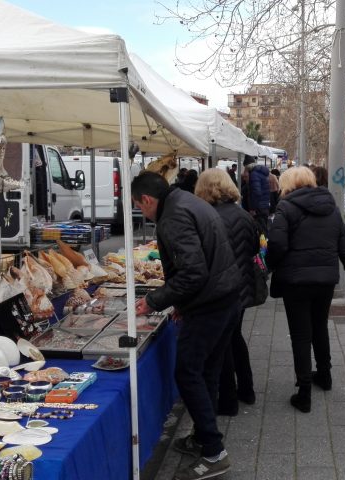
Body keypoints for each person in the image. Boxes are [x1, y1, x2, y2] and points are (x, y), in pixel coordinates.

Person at [131, 171, 241, 479]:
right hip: (224, 296)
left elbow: (193, 272)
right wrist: (180, 303)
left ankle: (214, 452)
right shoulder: (185, 200)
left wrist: (154, 301)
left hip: (212, 304)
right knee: (207, 371)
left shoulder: (173, 216)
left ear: (148, 200)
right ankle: (203, 437)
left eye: (139, 206)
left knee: (188, 371)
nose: (141, 211)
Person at [267, 167, 345, 413]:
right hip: (325, 281)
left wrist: (268, 267)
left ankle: (304, 392)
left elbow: (277, 244)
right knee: (320, 327)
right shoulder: (331, 208)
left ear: (288, 184)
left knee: (301, 335)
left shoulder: (285, 208)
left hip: (295, 282)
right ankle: (325, 375)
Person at [194, 168, 259, 416]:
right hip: (242, 285)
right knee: (235, 337)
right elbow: (253, 248)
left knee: (223, 343)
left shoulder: (209, 217)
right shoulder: (242, 215)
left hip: (221, 288)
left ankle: (229, 400)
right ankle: (247, 389)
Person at [243, 156, 271, 234]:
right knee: (263, 228)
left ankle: (263, 246)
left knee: (261, 230)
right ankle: (264, 245)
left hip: (259, 208)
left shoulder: (254, 174)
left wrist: (253, 208)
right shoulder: (261, 173)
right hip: (264, 205)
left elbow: (256, 192)